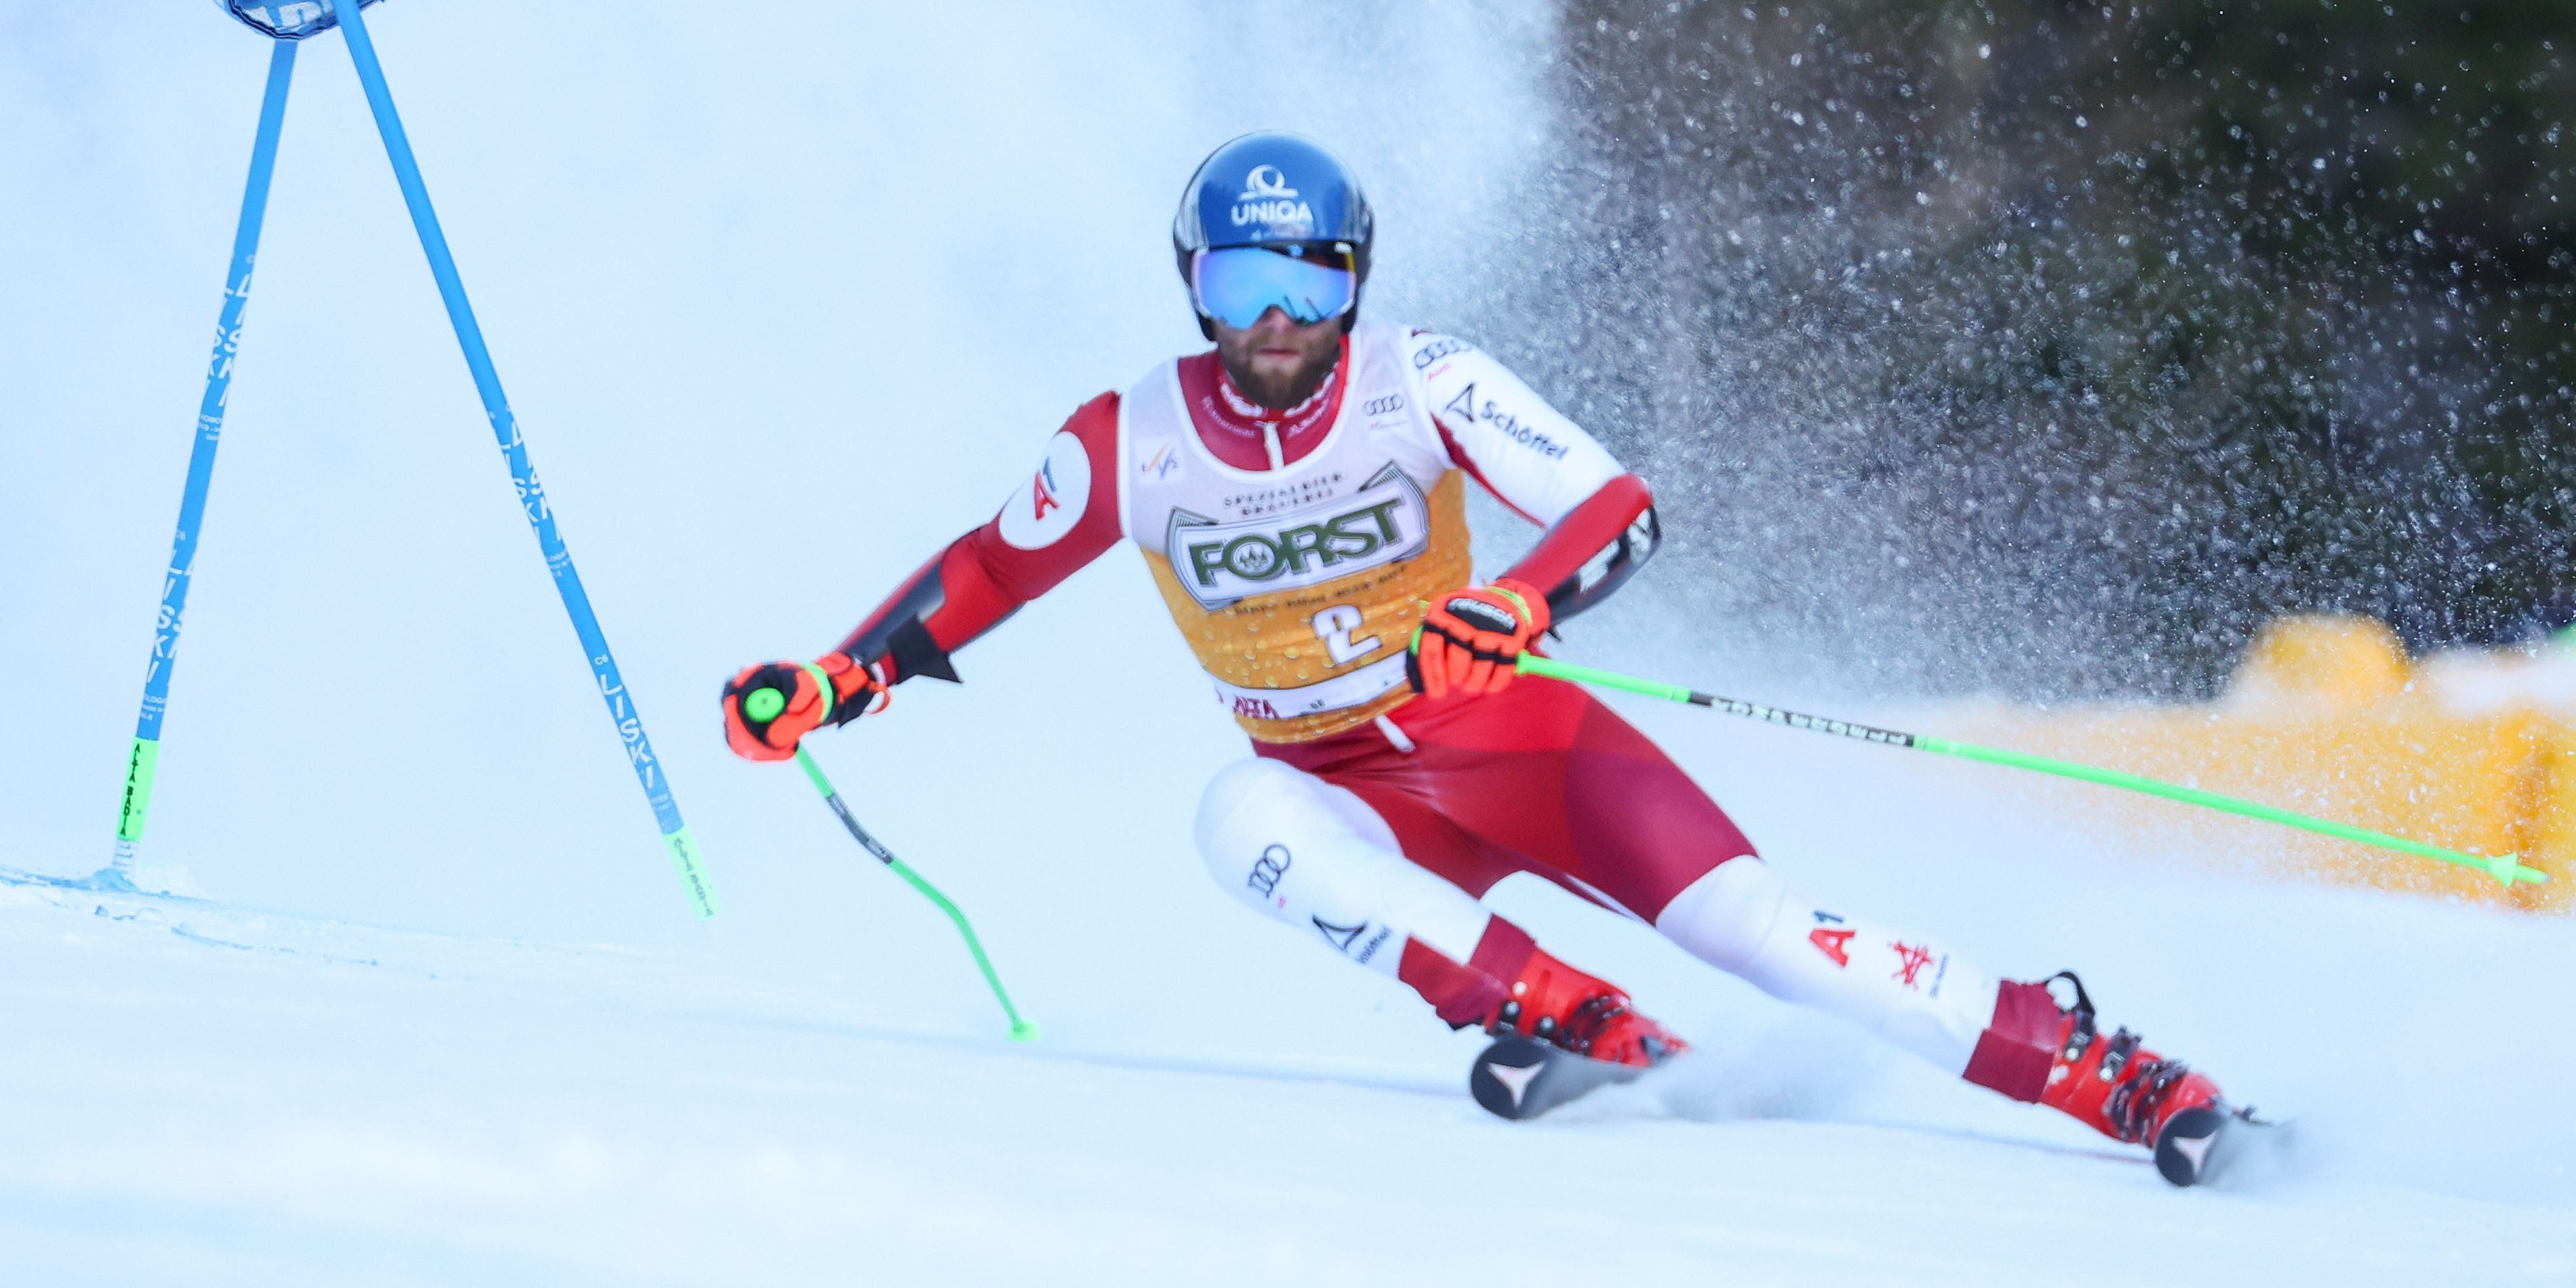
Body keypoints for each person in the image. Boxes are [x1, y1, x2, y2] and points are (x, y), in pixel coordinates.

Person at [721, 132, 2237, 1182]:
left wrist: (1516, 602)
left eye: (1311, 284)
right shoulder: (1133, 437)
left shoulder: (1423, 378)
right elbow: (992, 564)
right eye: (1239, 286)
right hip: (1340, 785)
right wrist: (842, 679)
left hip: (1520, 741)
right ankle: (1571, 1016)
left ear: (1356, 281)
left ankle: (2106, 1072)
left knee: (1764, 935)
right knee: (1234, 818)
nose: (1275, 321)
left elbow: (1616, 504)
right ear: (1191, 284)